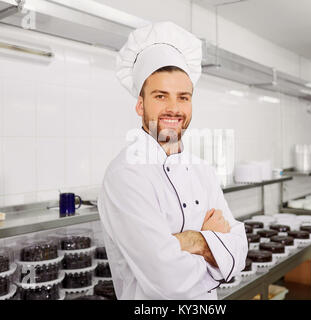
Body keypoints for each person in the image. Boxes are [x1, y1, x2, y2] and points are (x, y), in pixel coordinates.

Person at [97, 21, 247, 300]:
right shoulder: (126, 175)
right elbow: (167, 280)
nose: (174, 109)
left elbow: (239, 249)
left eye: (183, 97)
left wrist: (182, 244)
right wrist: (209, 243)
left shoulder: (202, 171)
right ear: (140, 104)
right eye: (160, 96)